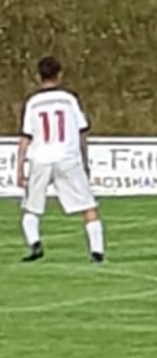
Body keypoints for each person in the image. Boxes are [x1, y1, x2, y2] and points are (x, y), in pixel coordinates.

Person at [17, 56, 105, 263]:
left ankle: (35, 244)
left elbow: (25, 137)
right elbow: (82, 131)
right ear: (60, 75)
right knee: (88, 207)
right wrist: (85, 160)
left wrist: (19, 168)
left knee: (31, 206)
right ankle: (97, 252)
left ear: (38, 76)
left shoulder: (33, 102)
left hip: (41, 158)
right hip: (67, 157)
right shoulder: (68, 99)